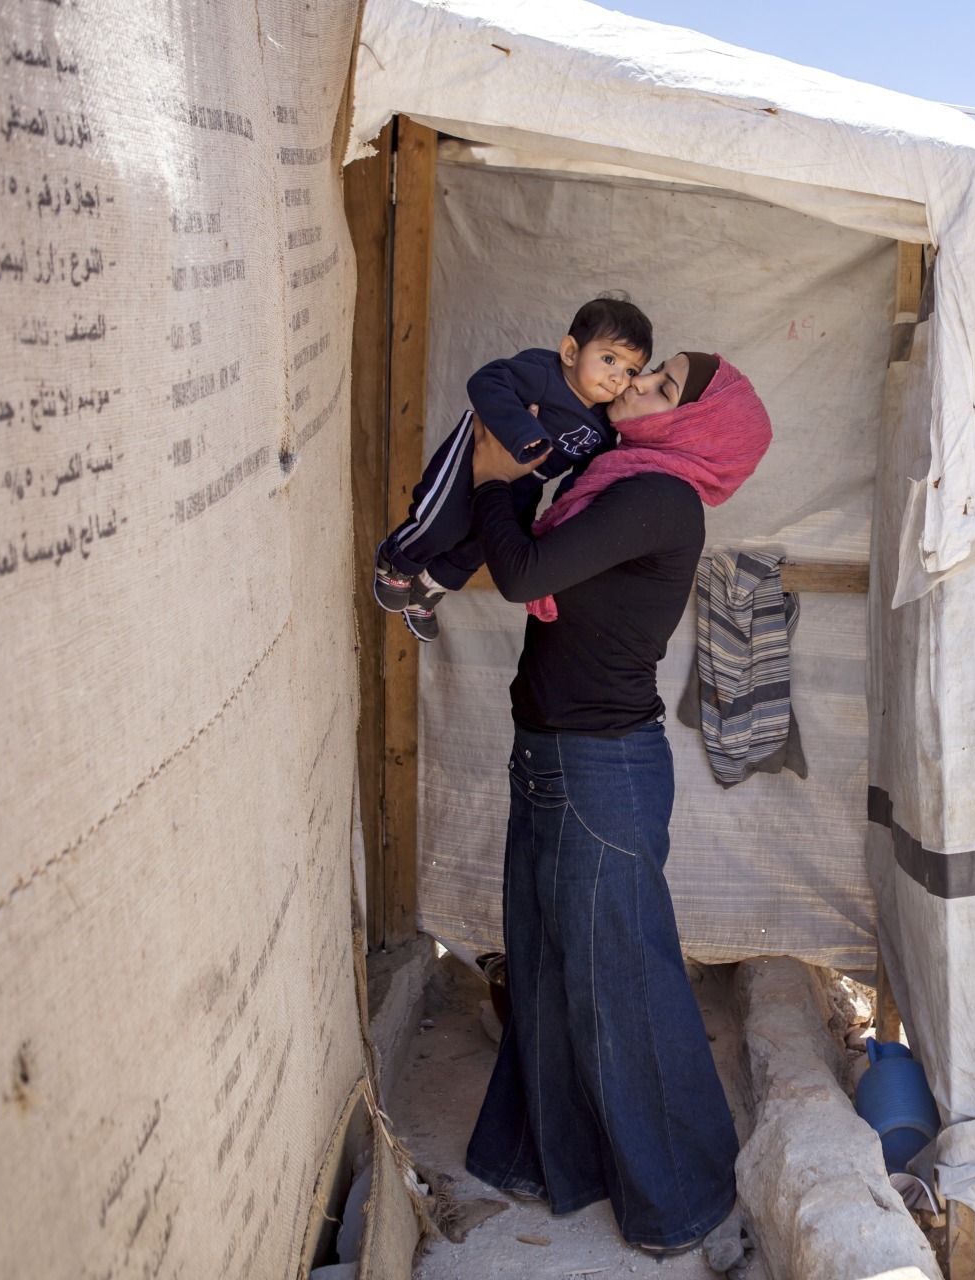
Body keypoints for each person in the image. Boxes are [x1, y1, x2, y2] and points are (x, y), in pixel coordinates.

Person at [463, 352, 771, 1271]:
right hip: (559, 758)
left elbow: (520, 576)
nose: (634, 385)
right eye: (644, 372)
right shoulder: (614, 480)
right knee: (553, 970)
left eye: (663, 386)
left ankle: (680, 1198)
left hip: (596, 773)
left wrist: (491, 481)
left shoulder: (661, 499)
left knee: (620, 987)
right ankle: (549, 1159)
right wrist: (510, 487)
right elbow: (537, 566)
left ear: (696, 427)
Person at [373, 296, 652, 641]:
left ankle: (427, 590)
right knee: (445, 522)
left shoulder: (604, 426)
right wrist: (522, 431)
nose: (617, 378)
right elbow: (486, 382)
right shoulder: (545, 373)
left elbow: (590, 472)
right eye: (609, 359)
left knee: (488, 541)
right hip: (477, 452)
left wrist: (565, 507)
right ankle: (397, 559)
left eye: (630, 371)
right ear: (570, 352)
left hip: (525, 483)